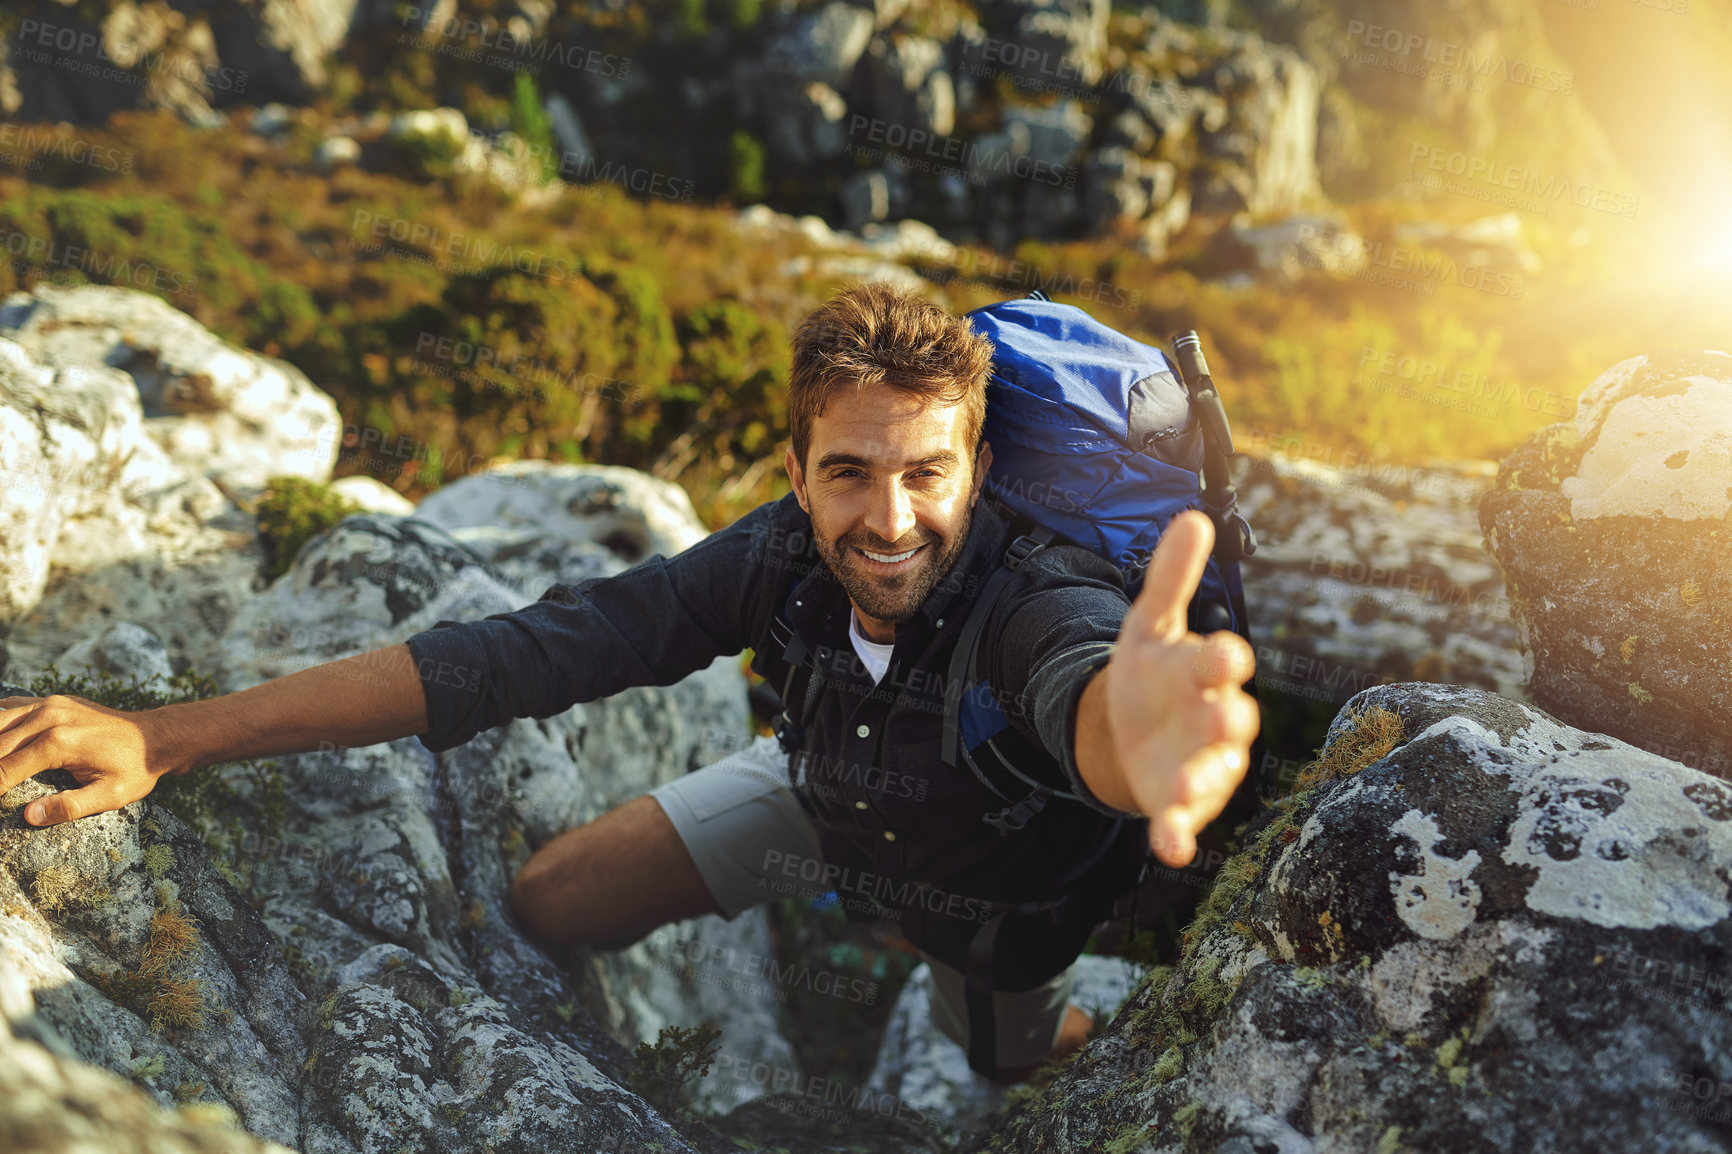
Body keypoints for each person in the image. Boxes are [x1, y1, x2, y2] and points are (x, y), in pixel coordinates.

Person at [0, 280, 1258, 1084]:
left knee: (983, 1055)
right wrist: (168, 736)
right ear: (795, 462)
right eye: (848, 473)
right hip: (824, 786)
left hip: (986, 892)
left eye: (927, 473)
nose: (890, 519)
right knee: (552, 898)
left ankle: (1059, 1034)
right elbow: (518, 655)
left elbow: (1076, 680)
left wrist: (1123, 738)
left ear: (976, 468)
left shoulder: (1037, 599)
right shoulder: (778, 551)